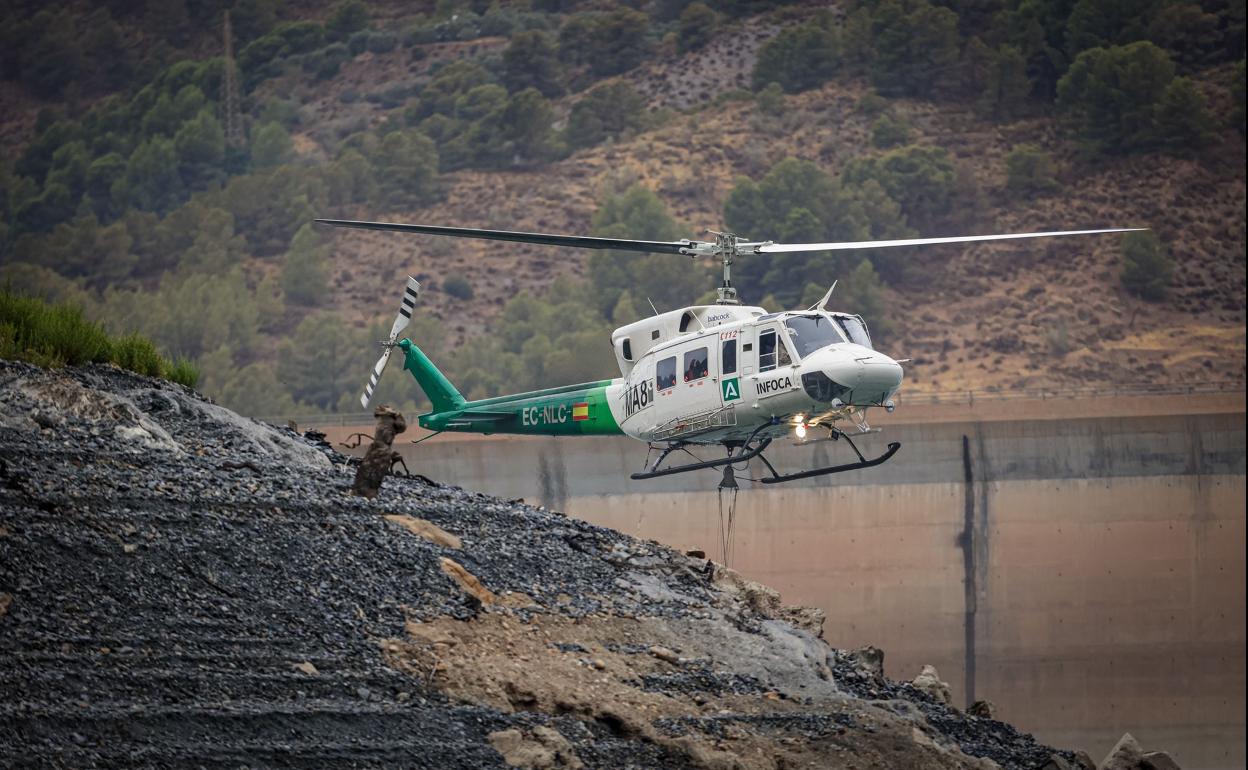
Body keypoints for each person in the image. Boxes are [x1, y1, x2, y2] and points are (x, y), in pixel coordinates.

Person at [351, 405, 407, 499]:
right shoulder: (390, 422)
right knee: (370, 474)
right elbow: (400, 428)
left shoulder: (387, 422)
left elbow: (388, 436)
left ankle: (364, 493)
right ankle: (364, 492)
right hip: (379, 450)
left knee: (371, 474)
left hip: (380, 451)